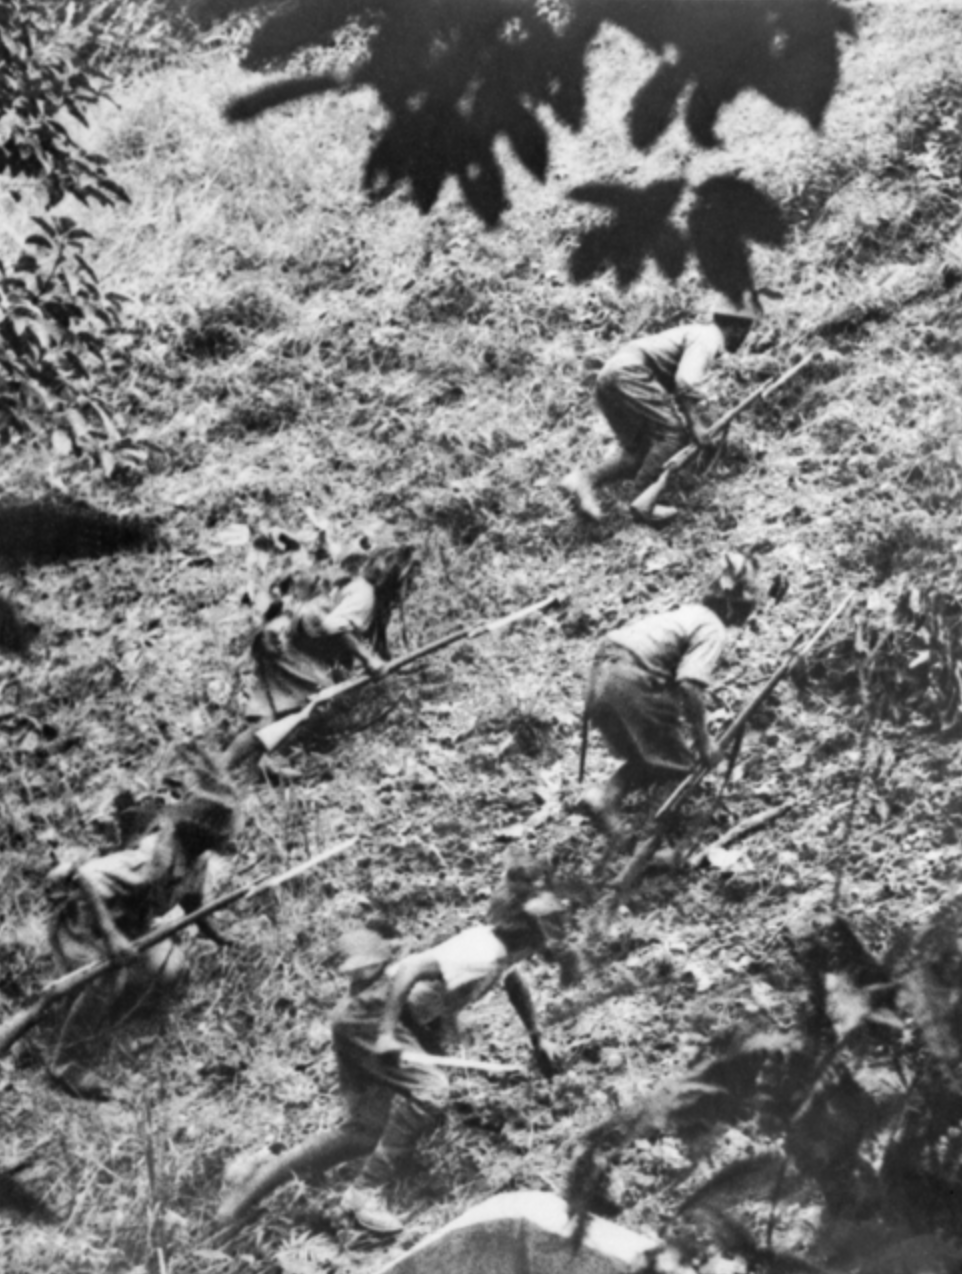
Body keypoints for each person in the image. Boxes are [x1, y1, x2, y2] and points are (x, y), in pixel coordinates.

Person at [215, 866, 565, 1236]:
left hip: (377, 1018)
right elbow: (409, 968)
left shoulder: (503, 952)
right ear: (528, 934)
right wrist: (386, 1034)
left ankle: (245, 1191)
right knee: (431, 1091)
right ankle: (364, 1193)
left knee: (365, 1132)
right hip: (373, 1016)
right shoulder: (482, 951)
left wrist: (536, 1034)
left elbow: (514, 980)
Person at [46, 787, 236, 1100]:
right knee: (108, 976)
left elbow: (192, 901)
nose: (227, 840)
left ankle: (102, 1012)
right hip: (81, 926)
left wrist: (216, 934)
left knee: (170, 967)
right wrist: (110, 936)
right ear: (200, 834)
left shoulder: (195, 858)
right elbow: (84, 879)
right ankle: (66, 1063)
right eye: (222, 834)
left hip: (128, 926)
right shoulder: (150, 859)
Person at [580, 552, 757, 857]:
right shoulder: (712, 626)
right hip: (632, 679)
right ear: (734, 605)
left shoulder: (687, 614)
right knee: (681, 767)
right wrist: (703, 741)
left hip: (600, 678)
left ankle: (605, 800)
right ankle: (653, 846)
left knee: (650, 760)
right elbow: (690, 683)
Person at [224, 540, 417, 770]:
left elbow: (375, 643)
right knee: (305, 705)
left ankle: (240, 761)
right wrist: (369, 660)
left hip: (290, 645)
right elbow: (335, 625)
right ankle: (225, 766)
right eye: (412, 581)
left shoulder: (373, 599)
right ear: (396, 579)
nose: (414, 587)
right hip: (286, 648)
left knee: (282, 714)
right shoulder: (365, 596)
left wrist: (388, 665)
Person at [561, 300, 756, 525]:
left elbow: (679, 388)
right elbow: (685, 381)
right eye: (746, 330)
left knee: (640, 453)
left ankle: (583, 480)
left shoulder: (697, 334)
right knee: (673, 433)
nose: (744, 338)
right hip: (630, 374)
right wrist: (694, 424)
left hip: (610, 377)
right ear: (738, 328)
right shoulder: (709, 338)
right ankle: (642, 499)